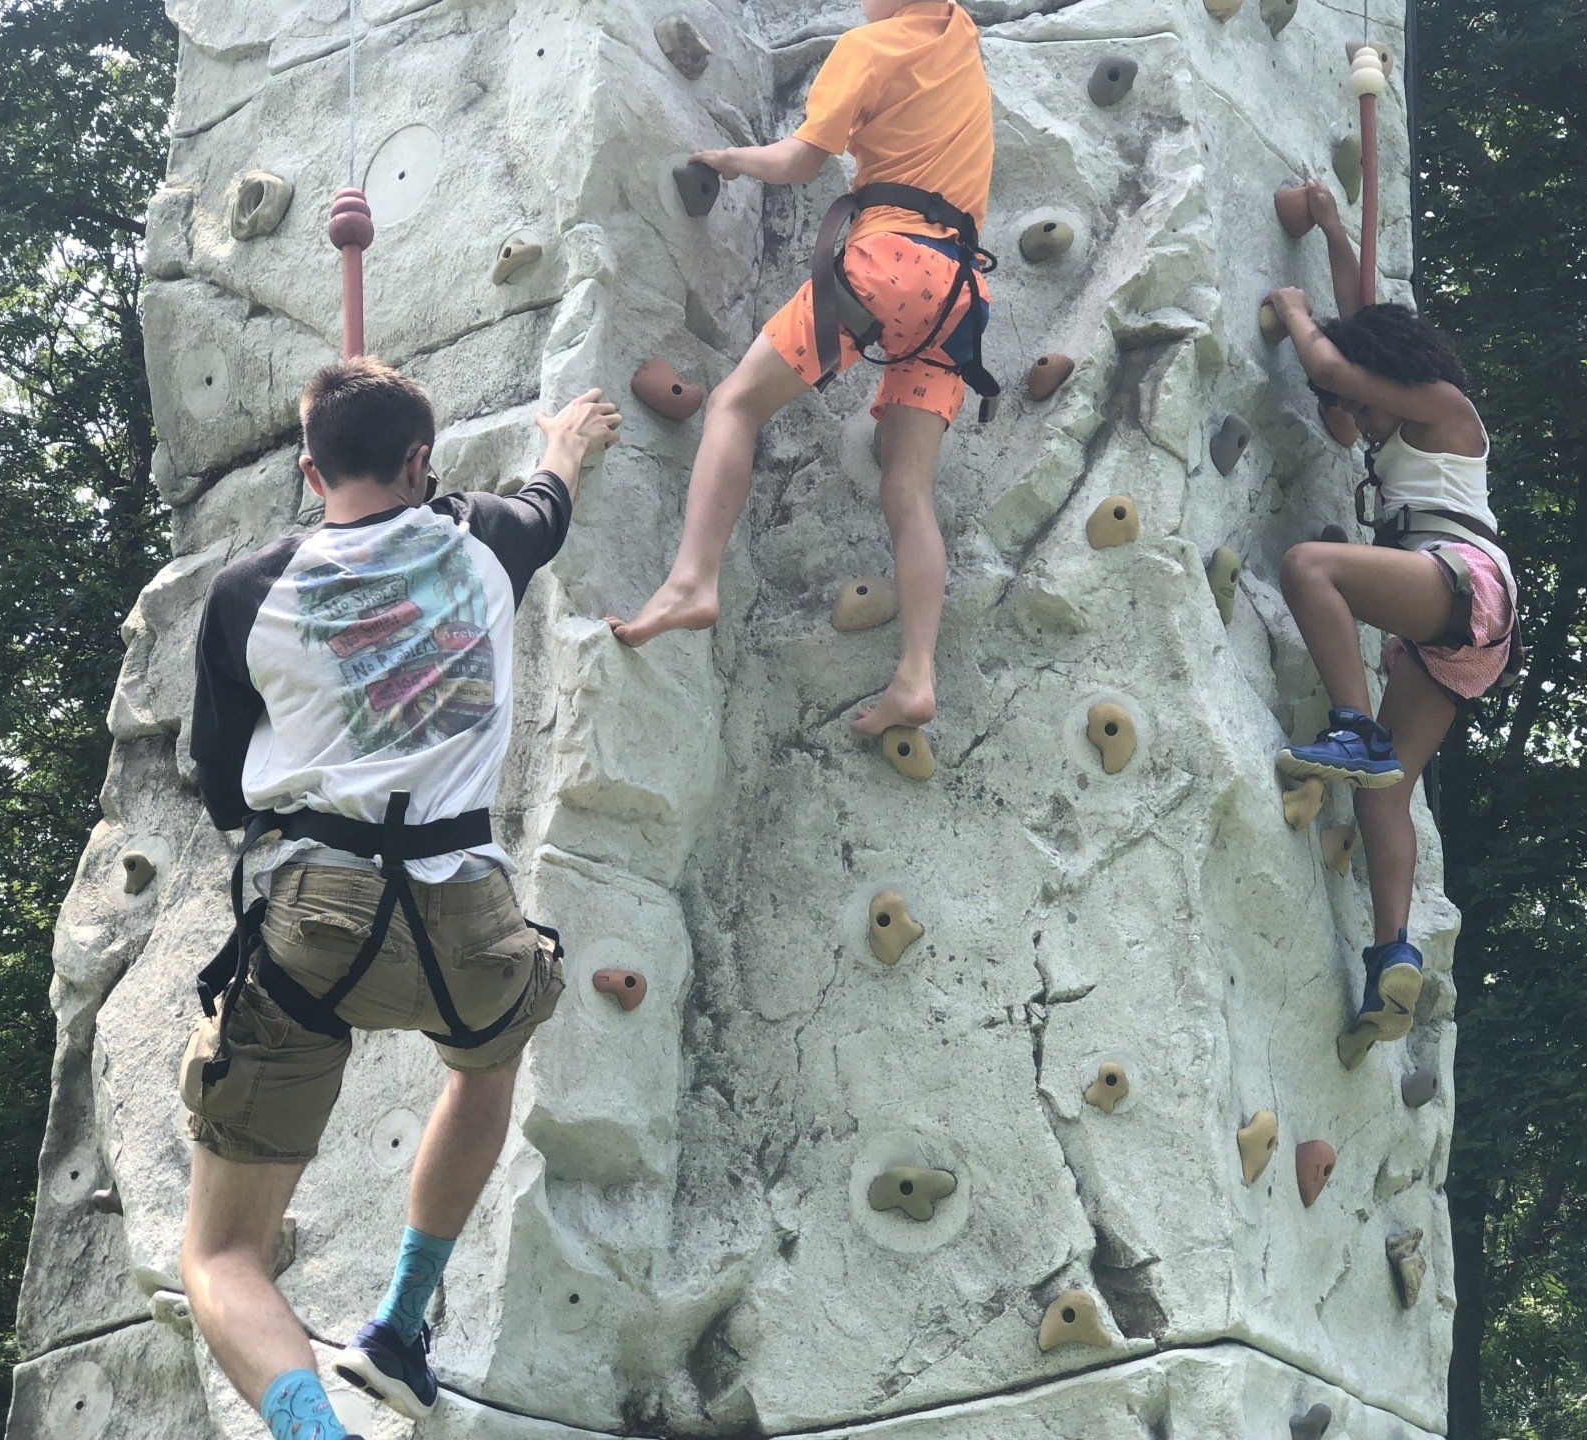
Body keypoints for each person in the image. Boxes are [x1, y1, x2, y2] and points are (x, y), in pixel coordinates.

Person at [177, 357, 620, 1440]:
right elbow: (545, 503)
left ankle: (313, 1432)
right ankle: (401, 1325)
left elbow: (227, 791)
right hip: (467, 911)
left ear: (306, 468)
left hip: (314, 920)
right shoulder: (486, 541)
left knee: (223, 1254)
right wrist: (567, 439)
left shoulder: (246, 594)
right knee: (486, 1060)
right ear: (421, 461)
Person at [609, 0, 996, 740]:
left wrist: (726, 160)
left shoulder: (868, 47)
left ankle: (692, 580)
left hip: (890, 263)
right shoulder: (960, 34)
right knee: (907, 487)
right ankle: (916, 675)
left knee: (733, 406)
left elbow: (798, 162)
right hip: (963, 293)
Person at [1265, 180, 1520, 1051]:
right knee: (1388, 795)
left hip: (1460, 579)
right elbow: (1362, 318)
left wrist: (1295, 311)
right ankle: (1390, 958)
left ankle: (1350, 725)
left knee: (1310, 569)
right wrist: (1336, 229)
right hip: (1461, 633)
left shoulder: (1444, 406)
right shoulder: (1406, 412)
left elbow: (1340, 360)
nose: (1356, 417)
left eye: (1370, 404)